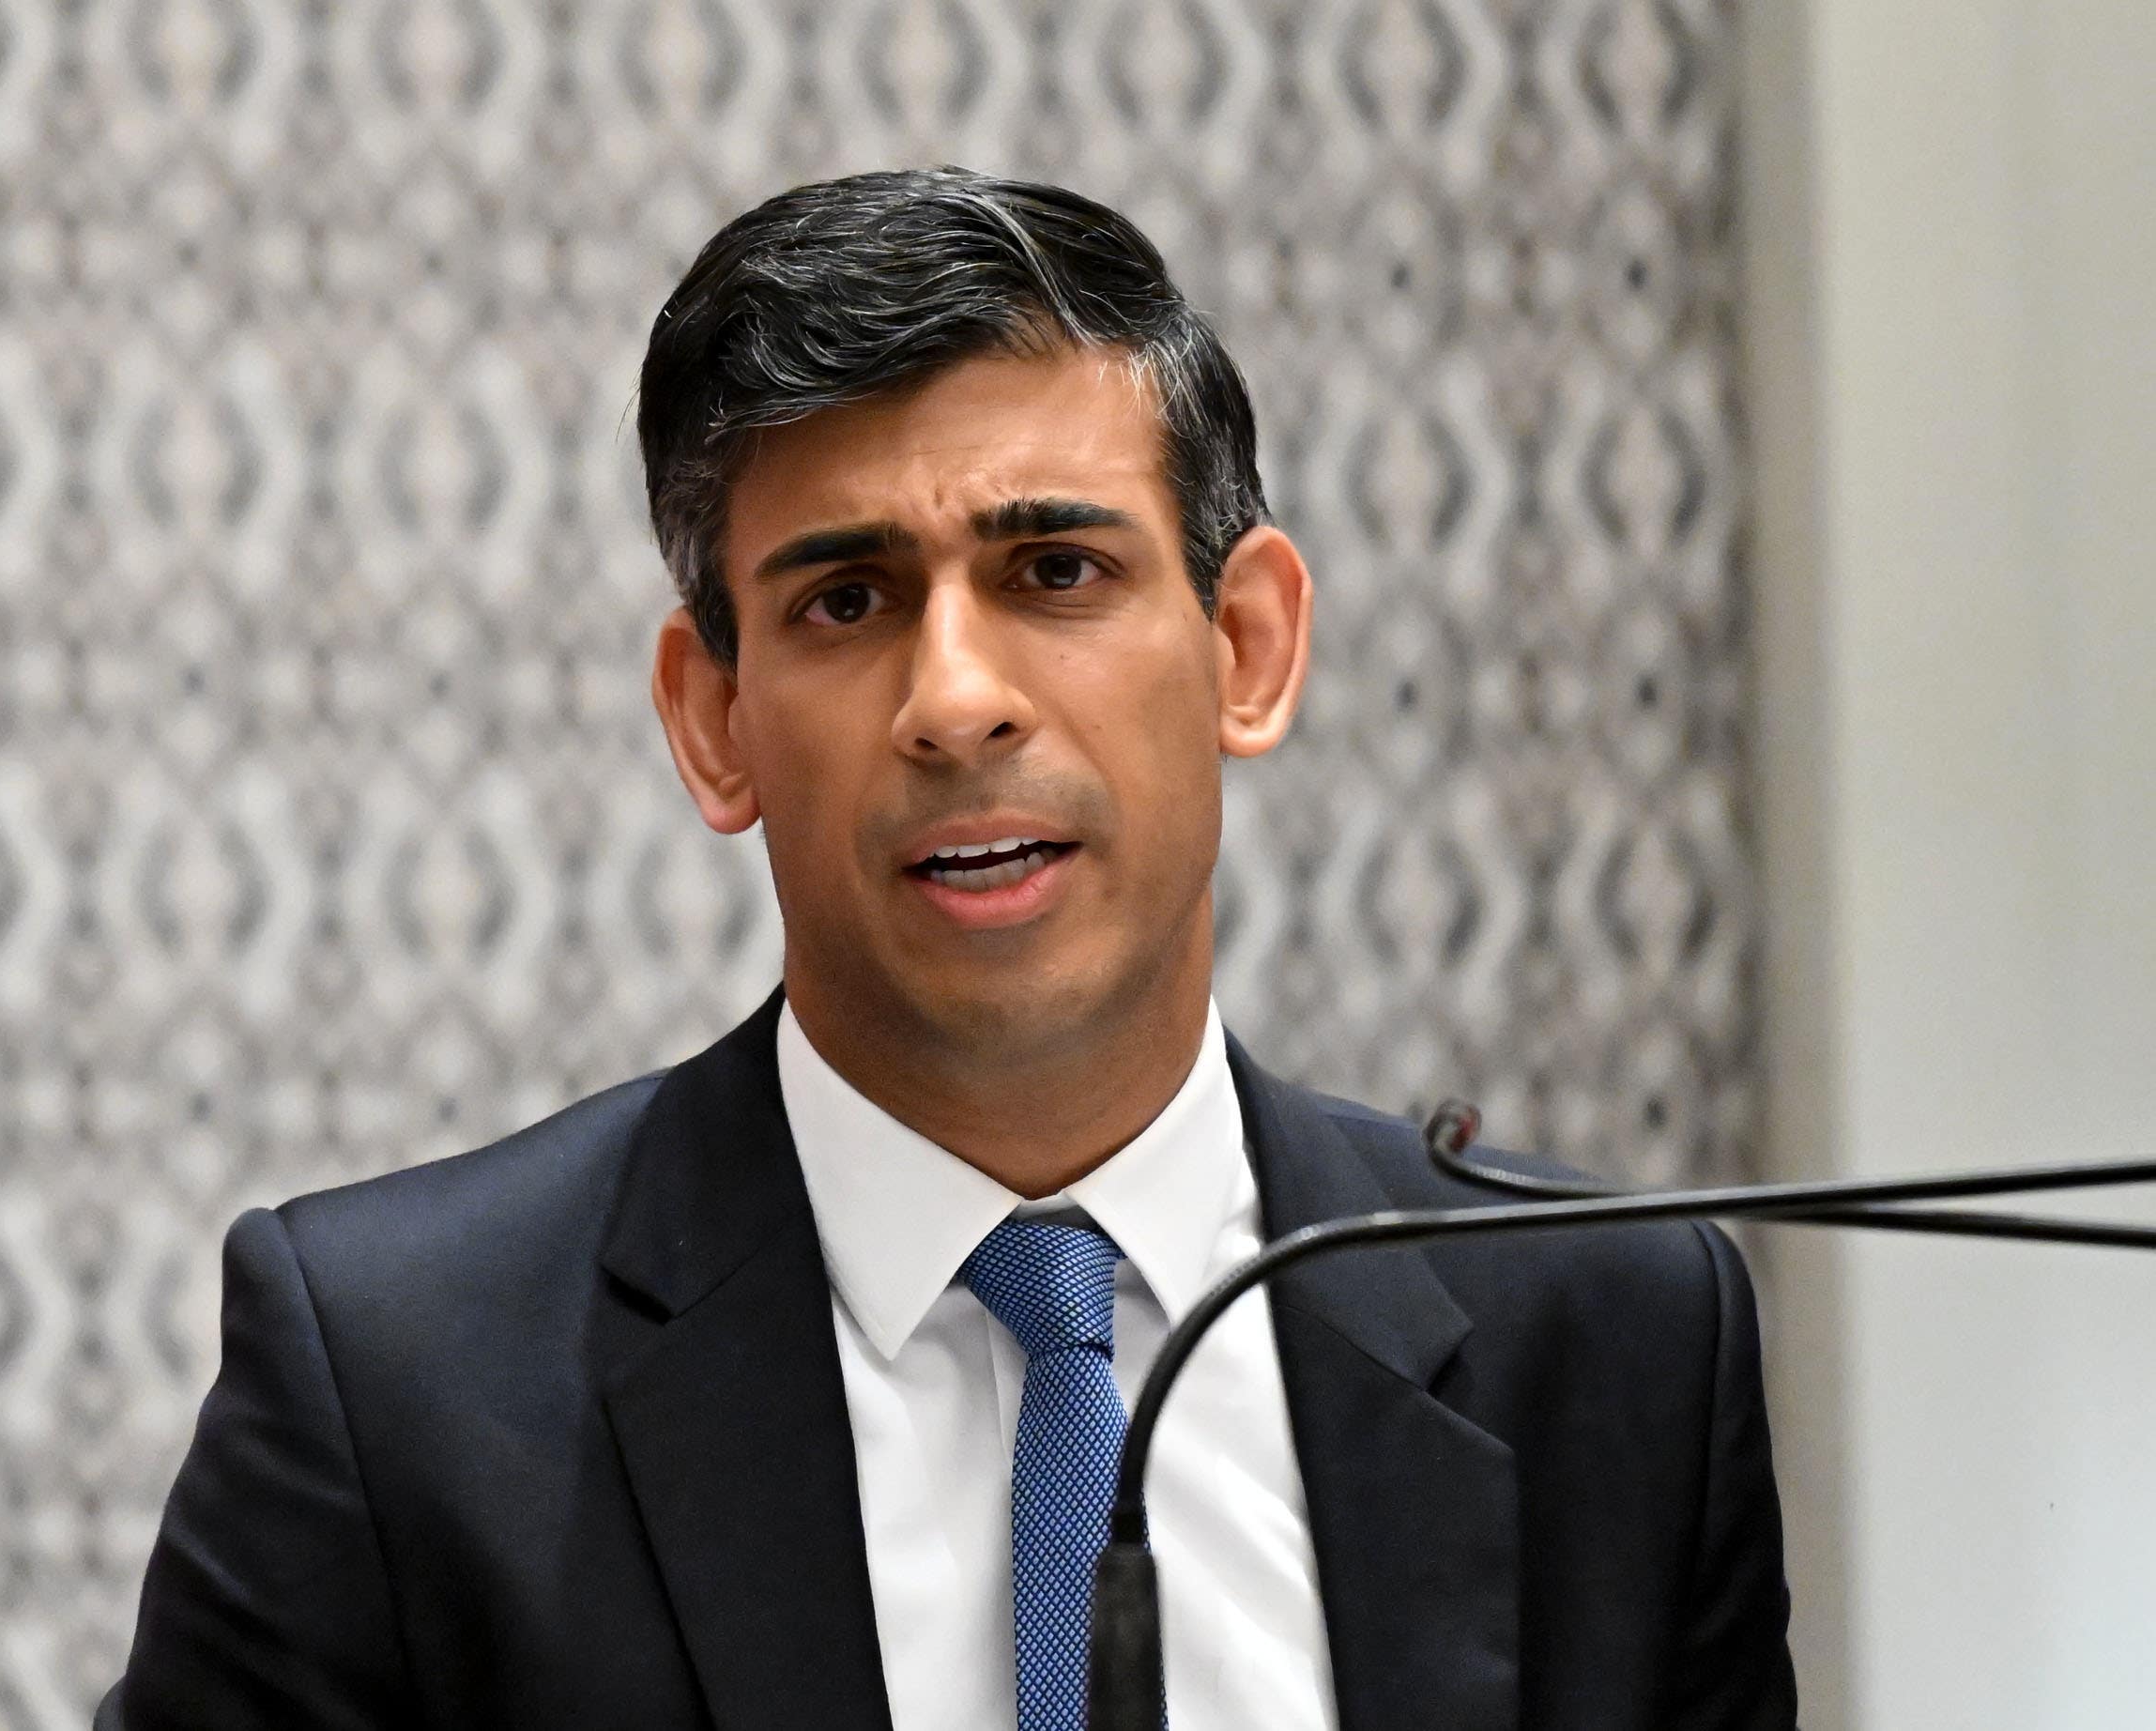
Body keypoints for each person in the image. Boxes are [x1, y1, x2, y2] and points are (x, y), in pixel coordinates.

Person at [98, 168, 1797, 1731]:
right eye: (845, 602)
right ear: (714, 721)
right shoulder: (402, 1381)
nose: (955, 700)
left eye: (1055, 569)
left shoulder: (1611, 1340)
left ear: (1248, 650)